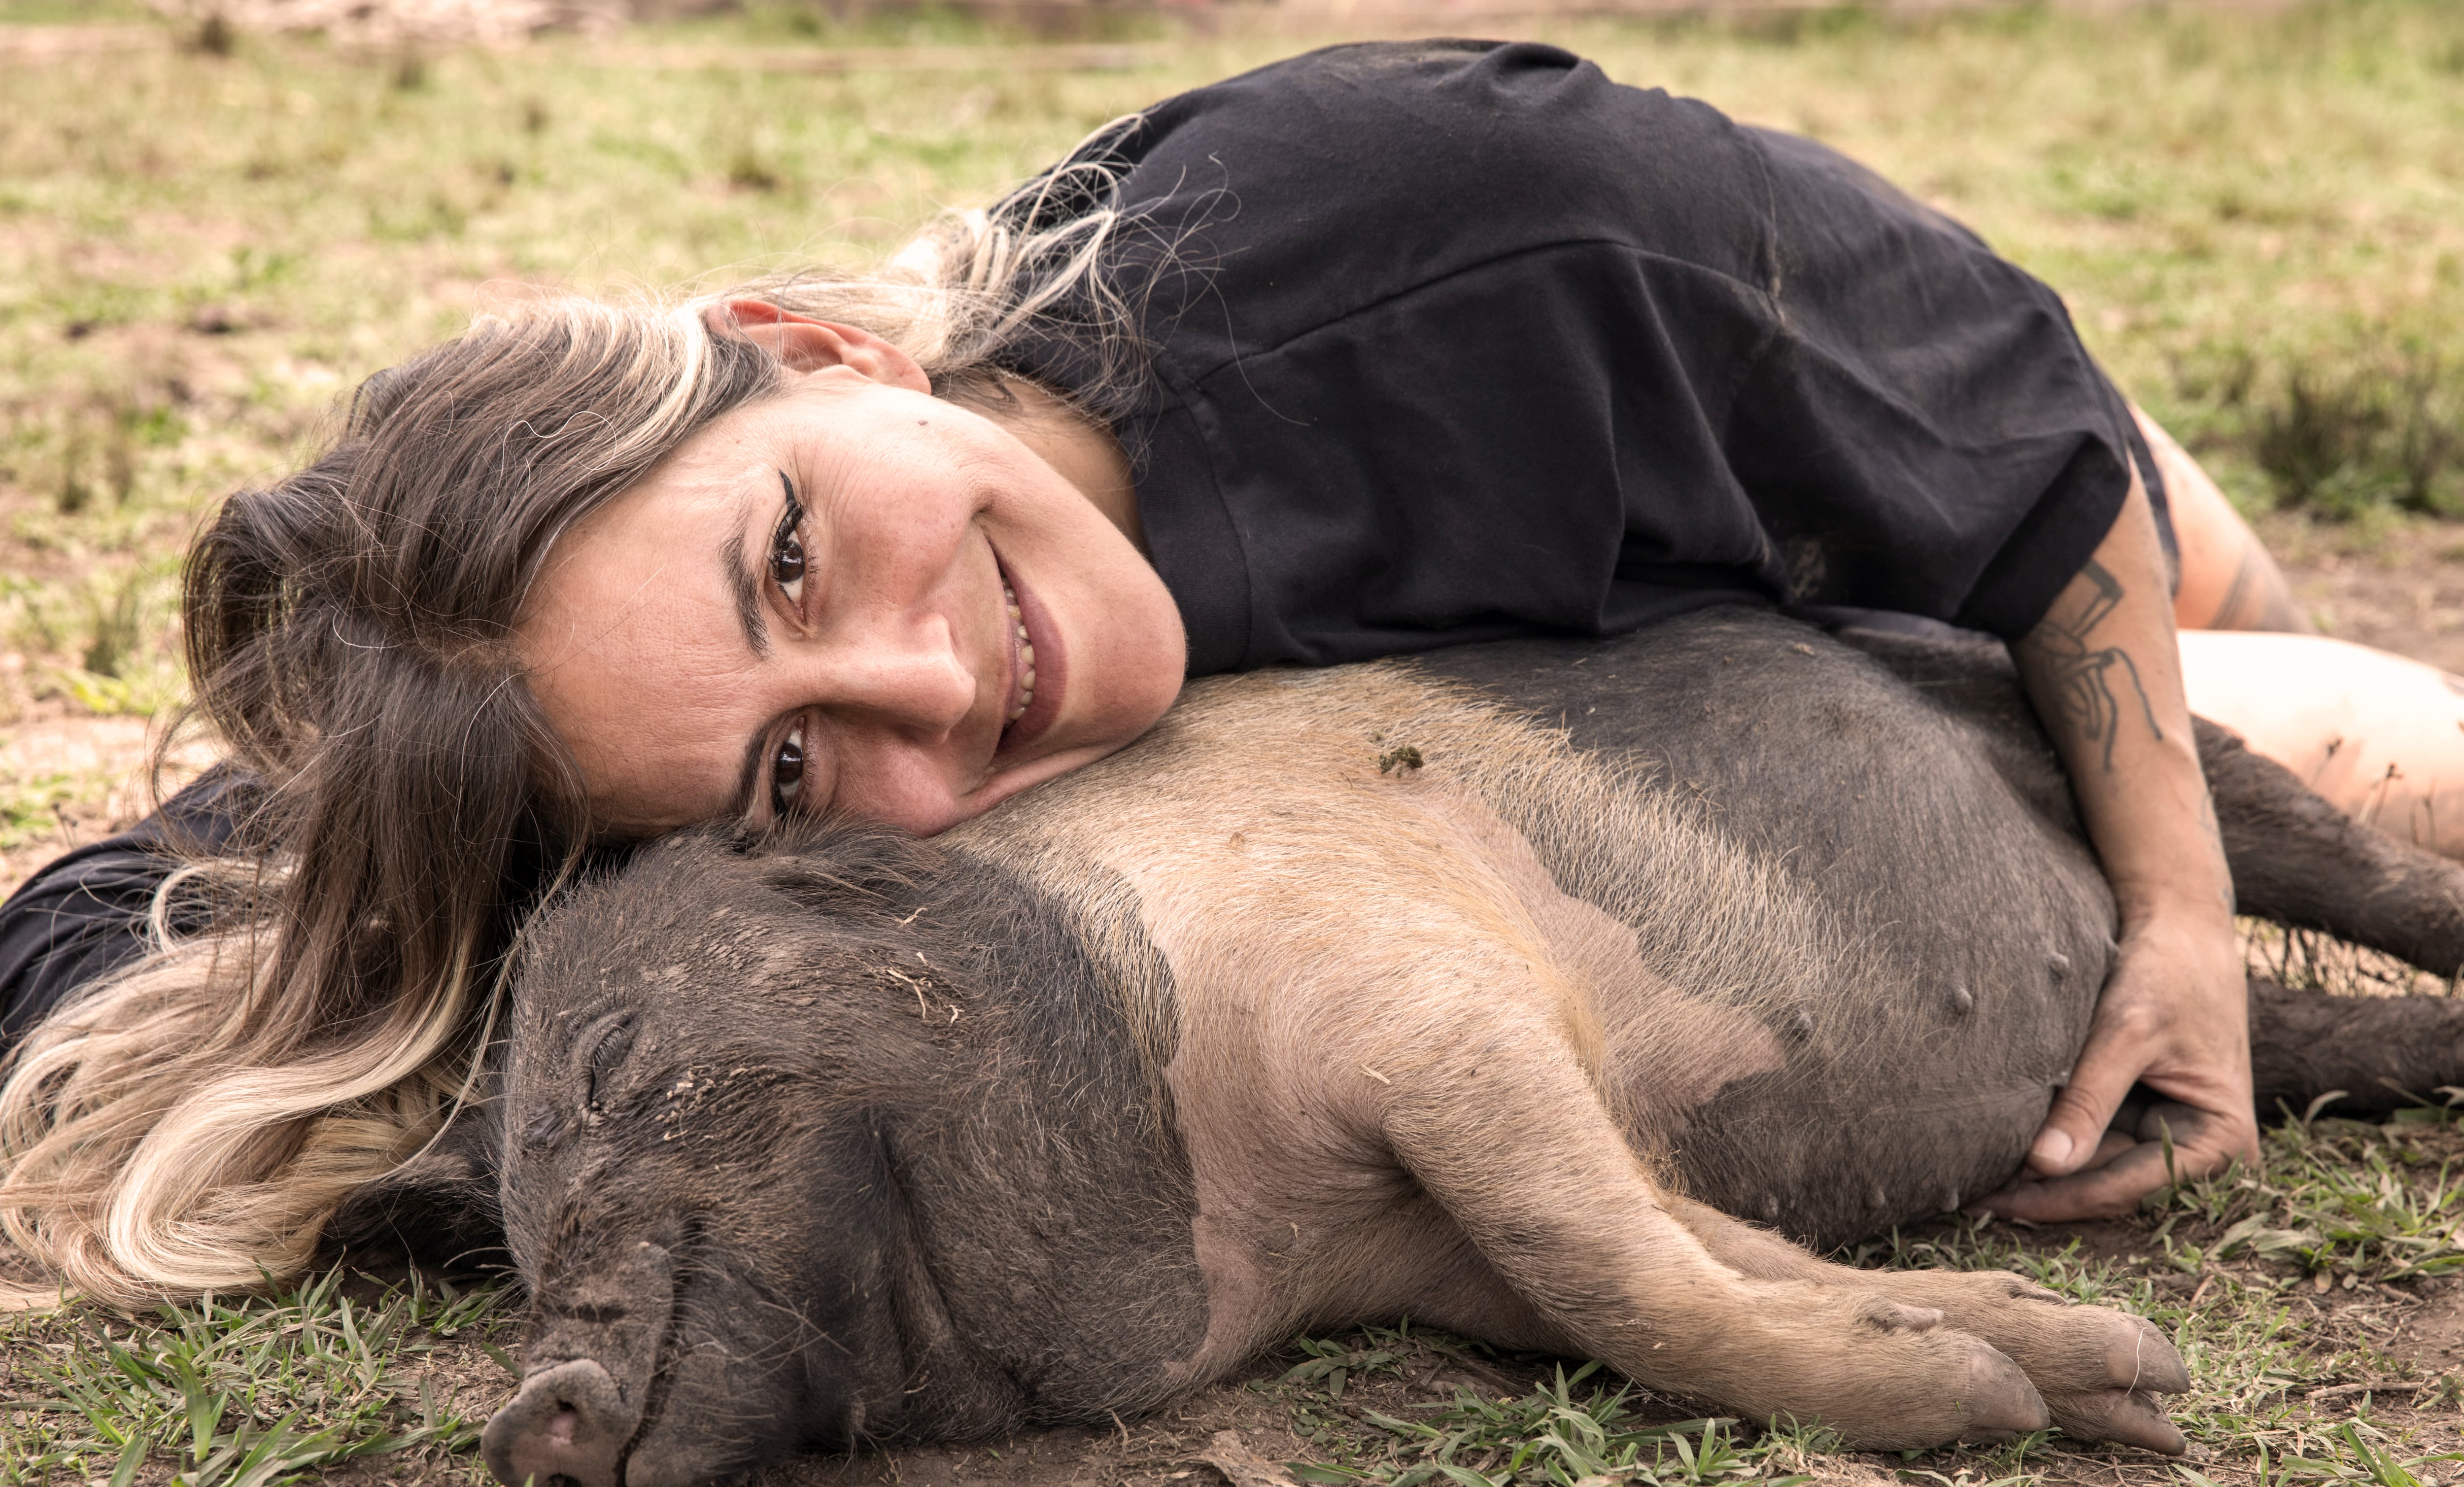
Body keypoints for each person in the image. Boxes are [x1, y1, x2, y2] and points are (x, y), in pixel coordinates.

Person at [0, 39, 2438, 1306]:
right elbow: (161, 907)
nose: (929, 691)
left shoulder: (1435, 231)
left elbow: (2004, 432)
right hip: (1660, 668)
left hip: (1896, 484)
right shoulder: (618, 696)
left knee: (2308, 724)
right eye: (782, 773)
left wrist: (2181, 912)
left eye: (792, 555)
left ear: (816, 341)